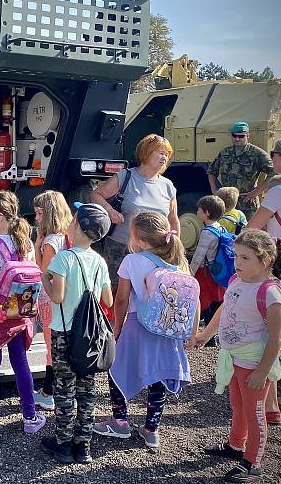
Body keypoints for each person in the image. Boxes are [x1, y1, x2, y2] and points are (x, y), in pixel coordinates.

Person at [92, 212, 197, 449]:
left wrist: (117, 327)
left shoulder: (132, 261)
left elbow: (121, 300)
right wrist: (189, 333)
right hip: (167, 329)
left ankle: (119, 422)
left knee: (117, 369)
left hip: (136, 324)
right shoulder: (179, 262)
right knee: (158, 375)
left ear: (138, 238)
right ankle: (151, 429)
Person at [196, 229, 281, 483]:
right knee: (237, 405)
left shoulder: (271, 293)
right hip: (234, 357)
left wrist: (262, 371)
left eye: (245, 258)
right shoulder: (237, 281)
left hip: (253, 362)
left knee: (254, 411)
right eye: (236, 256)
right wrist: (206, 334)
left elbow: (277, 337)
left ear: (267, 260)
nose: (237, 262)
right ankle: (236, 446)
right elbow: (226, 307)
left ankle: (252, 462)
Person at [40, 203, 113, 464]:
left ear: (78, 226)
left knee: (64, 390)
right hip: (90, 335)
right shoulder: (99, 260)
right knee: (87, 389)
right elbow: (108, 299)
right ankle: (83, 447)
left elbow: (57, 296)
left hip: (64, 333)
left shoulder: (64, 258)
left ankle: (63, 443)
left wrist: (44, 278)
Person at [0, 190, 45, 435]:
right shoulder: (26, 244)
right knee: (20, 361)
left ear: (0, 217)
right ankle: (30, 417)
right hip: (19, 309)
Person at [90, 134, 179, 294]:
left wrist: (175, 248)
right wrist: (110, 212)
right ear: (146, 153)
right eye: (160, 152)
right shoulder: (126, 177)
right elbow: (95, 195)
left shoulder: (168, 186)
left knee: (148, 295)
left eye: (167, 154)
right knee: (117, 294)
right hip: (121, 248)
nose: (164, 157)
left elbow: (173, 220)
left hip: (155, 252)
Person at [246, 137, 281, 419]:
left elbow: (253, 229)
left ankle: (272, 403)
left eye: (274, 154)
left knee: (272, 330)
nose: (272, 159)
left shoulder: (279, 193)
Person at [31, 190, 73, 412]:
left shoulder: (50, 241)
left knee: (51, 347)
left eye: (39, 213)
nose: (36, 218)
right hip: (67, 298)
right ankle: (65, 390)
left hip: (49, 299)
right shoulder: (69, 237)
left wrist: (37, 245)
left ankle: (48, 393)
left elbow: (42, 270)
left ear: (48, 214)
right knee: (63, 346)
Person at [208, 121, 275, 219]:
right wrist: (214, 190)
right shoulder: (225, 153)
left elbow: (273, 173)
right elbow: (211, 171)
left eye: (241, 136)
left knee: (248, 232)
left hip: (246, 203)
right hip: (226, 203)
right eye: (234, 136)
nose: (237, 139)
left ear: (248, 135)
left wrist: (256, 192)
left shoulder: (257, 154)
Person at [190, 195, 228, 324]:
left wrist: (190, 273)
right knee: (216, 299)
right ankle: (213, 329)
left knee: (204, 301)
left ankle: (206, 330)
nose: (197, 212)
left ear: (207, 213)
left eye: (199, 210)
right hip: (217, 269)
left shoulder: (206, 233)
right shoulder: (221, 228)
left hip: (205, 272)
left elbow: (198, 257)